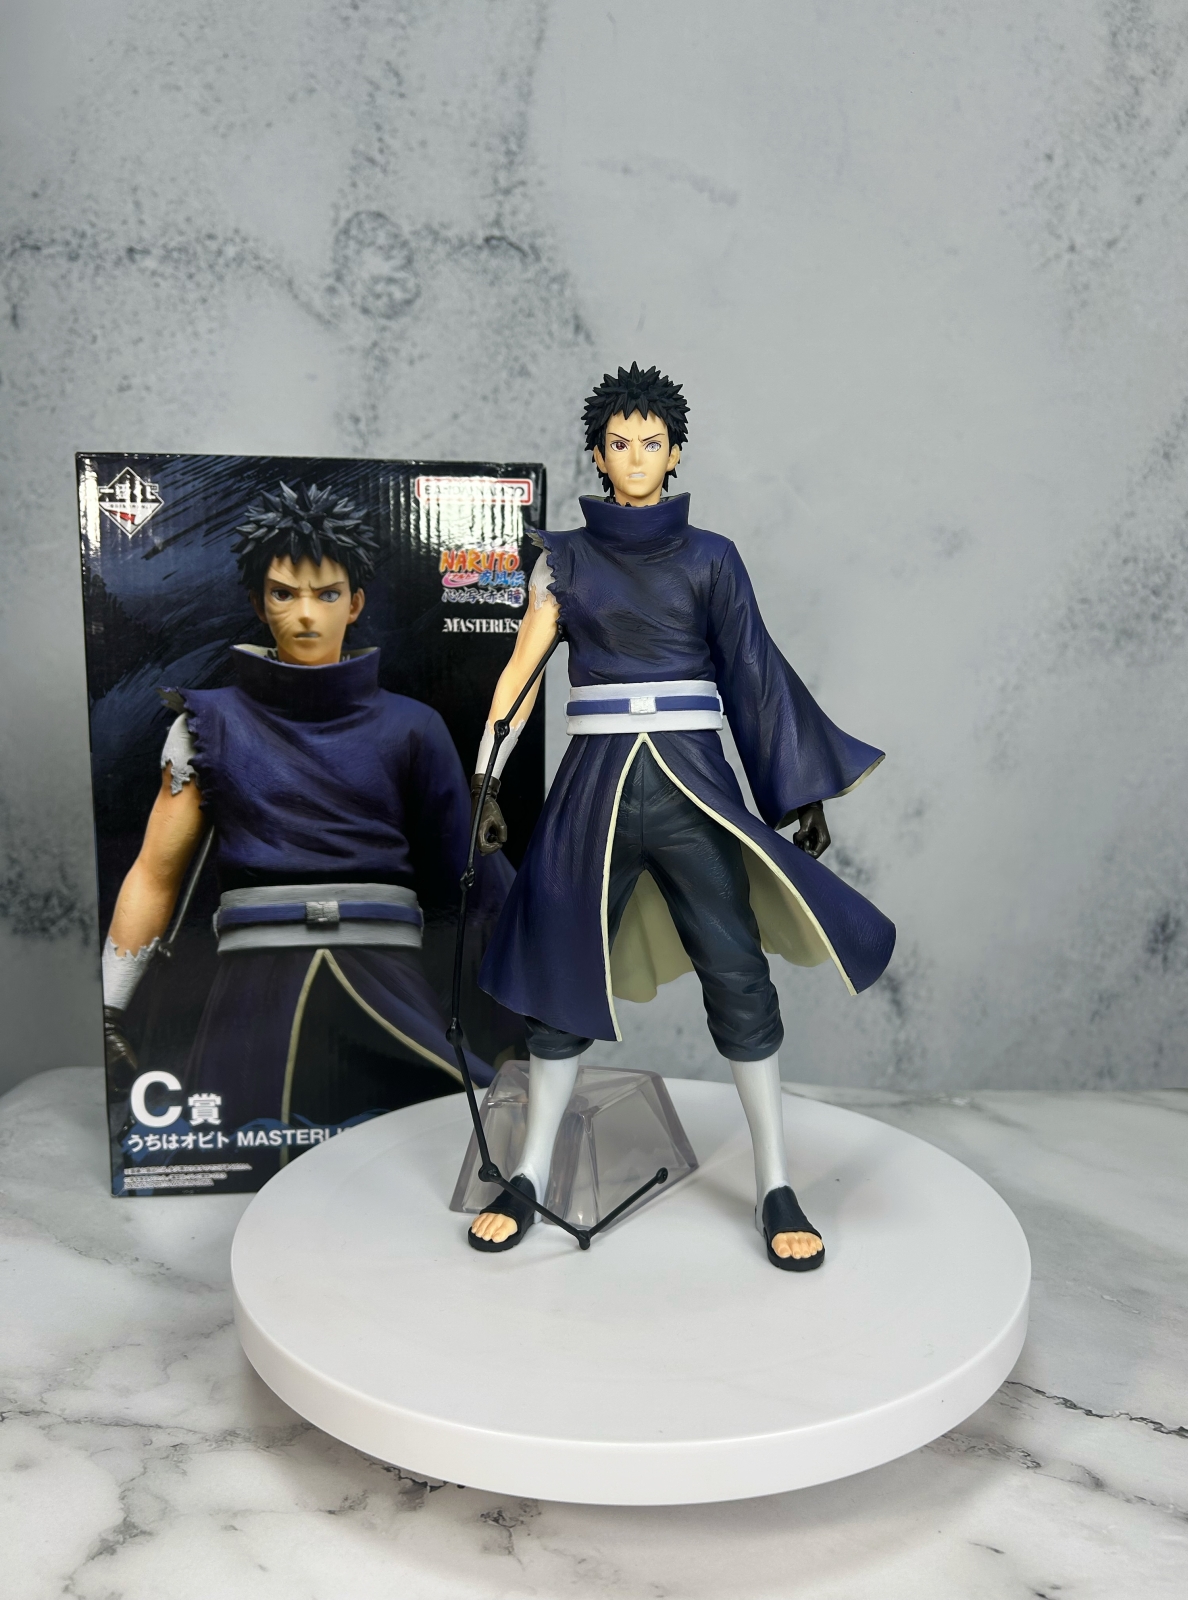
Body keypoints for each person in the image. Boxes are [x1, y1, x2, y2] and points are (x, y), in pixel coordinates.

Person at [465, 364, 895, 1269]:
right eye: (618, 444)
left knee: (737, 974)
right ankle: (530, 1173)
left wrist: (801, 789)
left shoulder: (712, 558)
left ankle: (775, 1181)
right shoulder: (562, 560)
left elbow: (755, 673)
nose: (634, 458)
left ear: (674, 452)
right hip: (593, 790)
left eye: (650, 443)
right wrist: (486, 778)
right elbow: (522, 672)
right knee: (557, 969)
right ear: (597, 454)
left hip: (693, 784)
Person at [102, 483, 504, 1162]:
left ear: (356, 603)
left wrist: (527, 999)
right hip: (254, 978)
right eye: (285, 594)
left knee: (445, 1143)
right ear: (259, 603)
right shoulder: (204, 725)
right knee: (232, 1148)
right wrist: (111, 1009)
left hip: (387, 969)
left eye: (326, 594)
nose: (307, 615)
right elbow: (155, 873)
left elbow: (471, 880)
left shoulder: (413, 727)